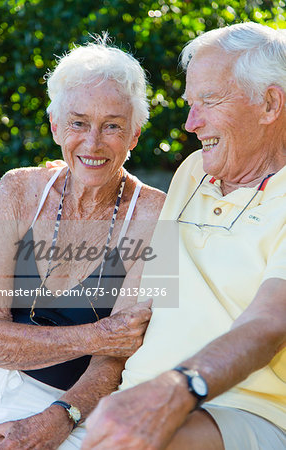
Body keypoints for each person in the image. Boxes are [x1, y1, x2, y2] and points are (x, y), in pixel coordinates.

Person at [81, 22, 286, 449]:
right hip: (138, 404)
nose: (191, 123)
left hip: (245, 411)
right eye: (190, 103)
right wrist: (65, 409)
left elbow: (269, 322)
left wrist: (177, 389)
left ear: (269, 103)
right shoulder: (194, 172)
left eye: (208, 101)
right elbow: (144, 305)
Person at [0, 37, 165, 449]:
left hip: (70, 406)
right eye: (78, 122)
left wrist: (60, 417)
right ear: (55, 127)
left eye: (113, 126)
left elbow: (119, 359)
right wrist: (99, 335)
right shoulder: (18, 190)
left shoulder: (158, 217)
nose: (93, 143)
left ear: (135, 135)